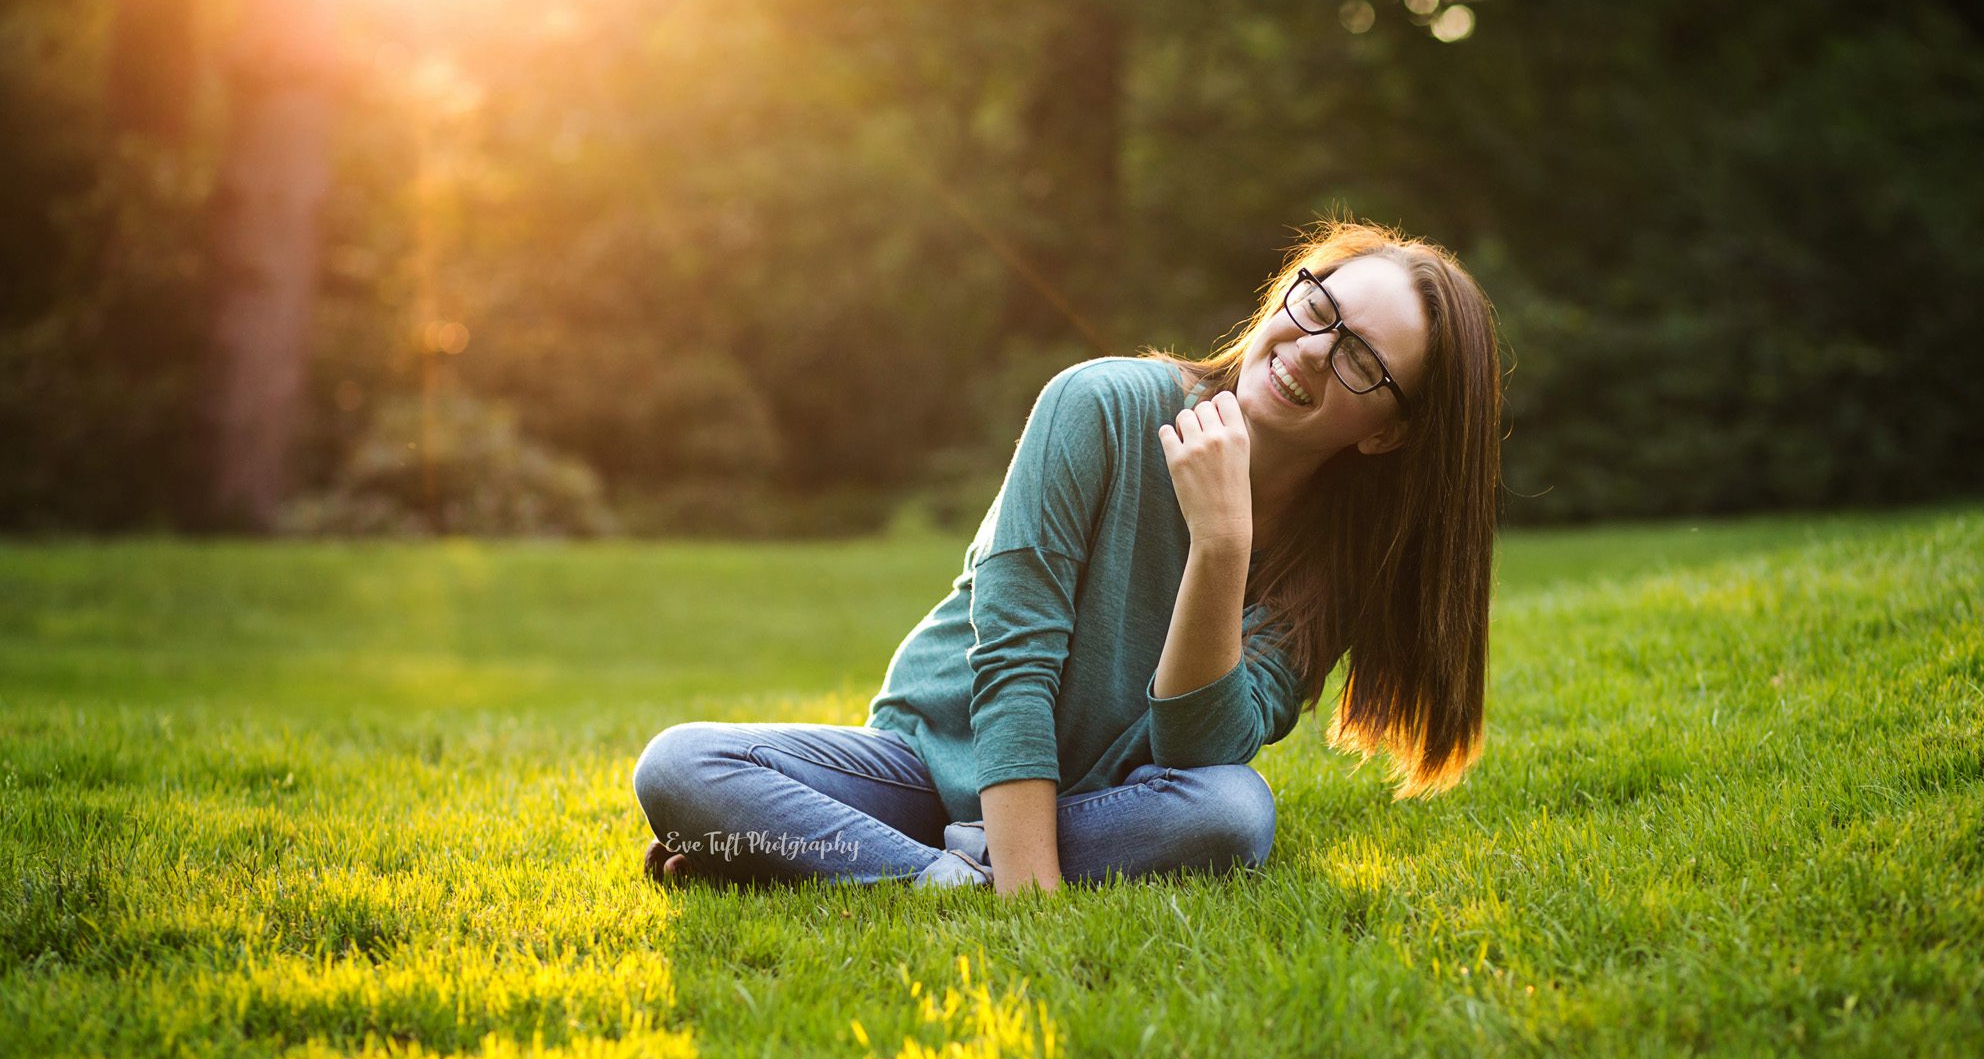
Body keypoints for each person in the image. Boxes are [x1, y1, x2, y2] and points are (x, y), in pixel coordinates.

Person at [631, 220, 1503, 896]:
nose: (1313, 348)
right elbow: (1011, 662)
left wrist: (1221, 543)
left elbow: (1199, 750)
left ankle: (857, 863)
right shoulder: (1100, 403)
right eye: (1319, 307)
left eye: (1358, 358)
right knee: (681, 768)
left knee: (1234, 812)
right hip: (931, 764)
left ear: (1388, 434)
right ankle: (946, 877)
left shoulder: (1332, 563)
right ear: (1289, 294)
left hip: (1102, 805)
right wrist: (1028, 892)